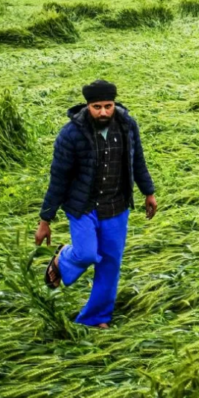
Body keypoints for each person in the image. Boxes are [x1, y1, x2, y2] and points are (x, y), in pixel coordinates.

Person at [34, 80, 157, 329]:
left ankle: (96, 317)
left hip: (116, 205)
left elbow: (138, 161)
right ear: (88, 106)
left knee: (110, 264)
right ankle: (62, 259)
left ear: (114, 104)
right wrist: (45, 220)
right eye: (97, 106)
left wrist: (148, 192)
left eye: (108, 106)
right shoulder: (71, 134)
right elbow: (58, 178)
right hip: (83, 206)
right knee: (88, 254)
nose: (103, 112)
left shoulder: (127, 126)